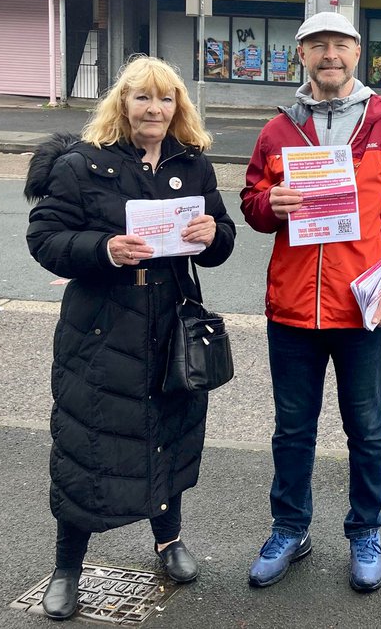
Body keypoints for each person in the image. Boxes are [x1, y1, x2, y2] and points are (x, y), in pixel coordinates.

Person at [24, 56, 236, 620]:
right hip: (102, 327)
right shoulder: (82, 165)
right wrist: (104, 250)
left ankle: (168, 542)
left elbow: (221, 242)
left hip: (172, 325)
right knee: (87, 444)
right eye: (142, 98)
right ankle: (68, 566)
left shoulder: (193, 165)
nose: (154, 109)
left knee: (169, 430)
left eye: (165, 99)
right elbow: (44, 238)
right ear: (122, 104)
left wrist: (214, 233)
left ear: (178, 108)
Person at [240, 11, 381, 593]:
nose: (330, 55)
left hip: (363, 310)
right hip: (293, 310)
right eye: (318, 45)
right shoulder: (278, 130)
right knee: (292, 430)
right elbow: (251, 204)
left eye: (341, 44)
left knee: (368, 430)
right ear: (301, 55)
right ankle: (289, 528)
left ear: (357, 53)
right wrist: (266, 204)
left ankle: (365, 531)